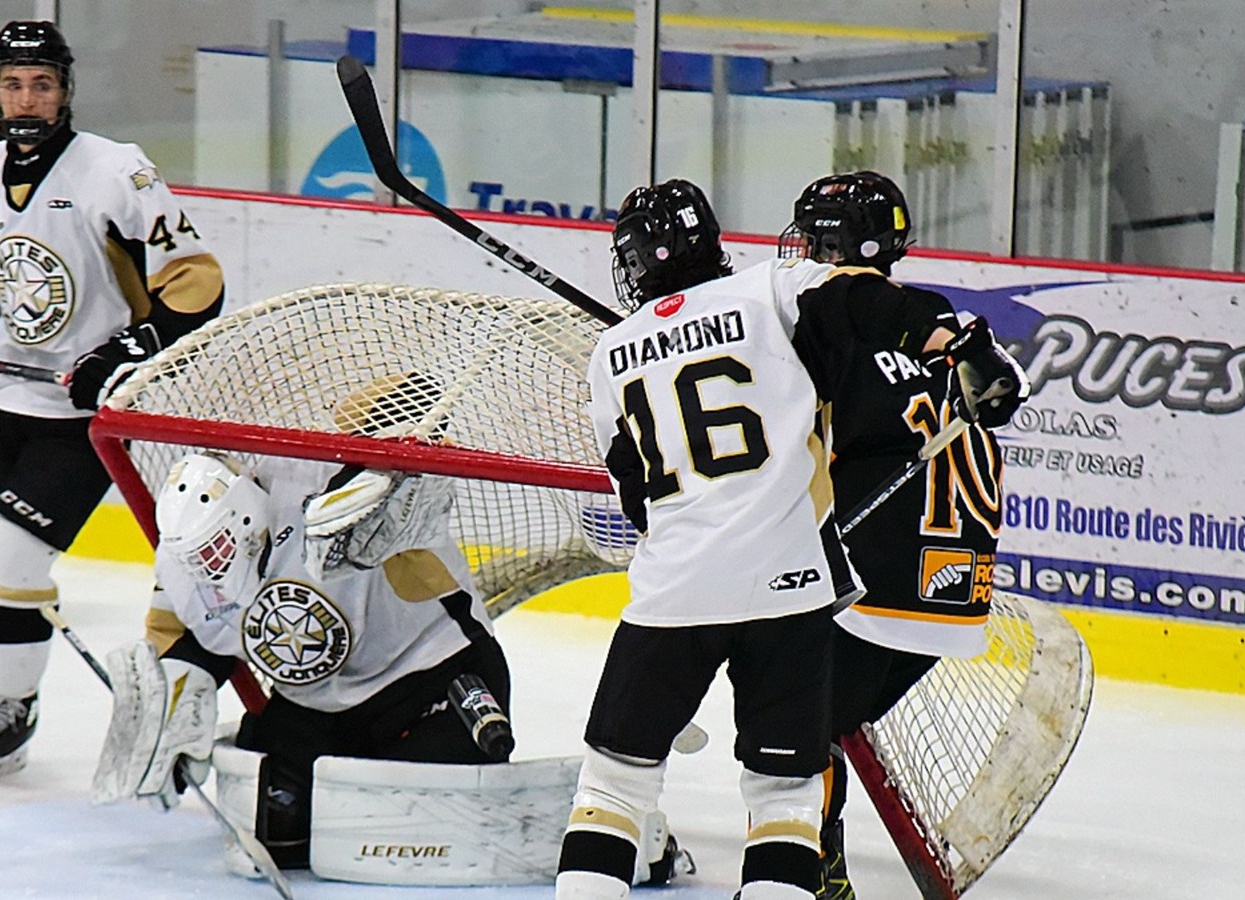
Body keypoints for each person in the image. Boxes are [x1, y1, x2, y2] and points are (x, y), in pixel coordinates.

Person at [555, 179, 1025, 900]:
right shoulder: (769, 294)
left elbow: (635, 496)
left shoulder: (611, 354)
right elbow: (869, 302)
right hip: (792, 592)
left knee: (613, 789)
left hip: (675, 593)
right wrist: (955, 340)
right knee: (783, 800)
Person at [0, 20, 226, 780]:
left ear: (65, 91)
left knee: (12, 549)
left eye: (43, 84)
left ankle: (12, 703)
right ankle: (8, 697)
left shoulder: (114, 171)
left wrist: (130, 349)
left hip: (81, 416)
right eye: (13, 85)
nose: (27, 99)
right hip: (3, 393)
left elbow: (197, 282)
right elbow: (6, 283)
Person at [91, 427, 511, 872]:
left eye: (213, 549)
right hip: (316, 707)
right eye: (196, 557)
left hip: (432, 674)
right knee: (278, 835)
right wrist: (169, 718)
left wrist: (371, 472)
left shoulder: (307, 473)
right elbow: (187, 643)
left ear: (245, 518)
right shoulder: (183, 566)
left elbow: (415, 398)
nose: (207, 567)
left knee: (417, 834)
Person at [774, 171, 1029, 899]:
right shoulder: (934, 316)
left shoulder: (826, 327)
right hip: (959, 598)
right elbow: (1007, 392)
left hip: (875, 587)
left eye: (814, 236)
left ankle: (811, 877)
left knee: (789, 721)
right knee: (820, 708)